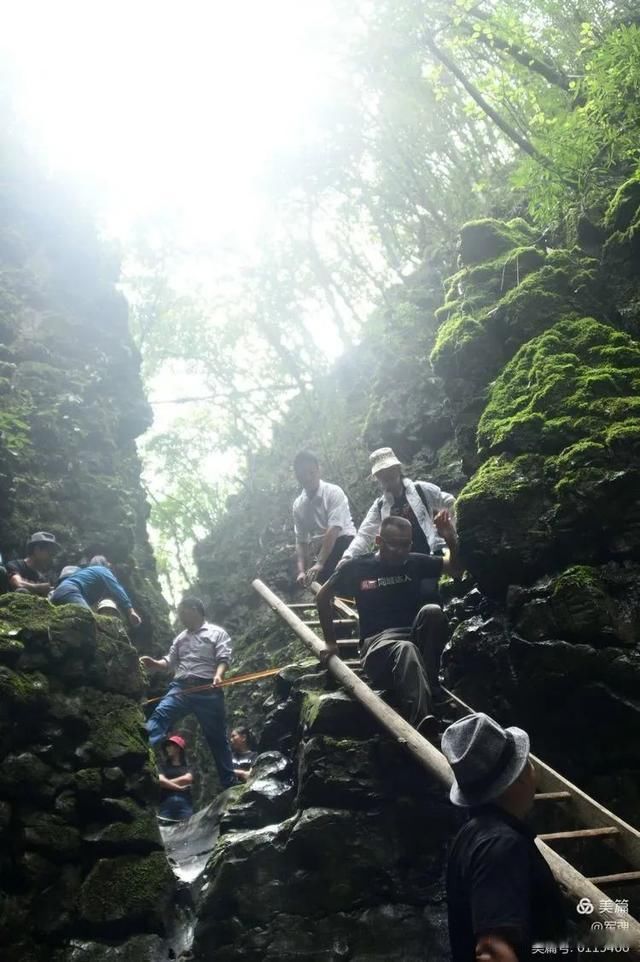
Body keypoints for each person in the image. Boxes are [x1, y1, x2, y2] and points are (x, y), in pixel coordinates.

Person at [316, 511, 461, 736]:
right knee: (406, 649)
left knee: (432, 612)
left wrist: (449, 538)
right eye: (395, 545)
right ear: (379, 541)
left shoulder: (414, 561)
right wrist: (331, 642)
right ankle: (424, 722)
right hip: (377, 646)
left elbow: (455, 569)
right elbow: (323, 595)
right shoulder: (357, 567)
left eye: (406, 544)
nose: (401, 551)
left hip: (412, 638)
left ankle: (432, 686)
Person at [442, 713, 569, 962]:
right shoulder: (500, 845)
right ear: (518, 778)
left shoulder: (474, 833)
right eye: (528, 763)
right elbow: (491, 951)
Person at [139, 597, 236, 790]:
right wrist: (155, 663)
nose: (180, 616)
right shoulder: (180, 638)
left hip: (208, 688)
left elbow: (223, 657)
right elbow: (170, 661)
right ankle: (139, 751)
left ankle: (229, 784)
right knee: (160, 714)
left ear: (194, 610)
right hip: (181, 687)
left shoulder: (217, 633)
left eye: (182, 612)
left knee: (216, 737)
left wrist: (218, 676)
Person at [341, 447, 456, 564]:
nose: (386, 475)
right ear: (377, 477)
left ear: (397, 469)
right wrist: (347, 557)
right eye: (381, 472)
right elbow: (364, 535)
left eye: (389, 469)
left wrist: (451, 526)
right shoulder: (379, 506)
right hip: (402, 565)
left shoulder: (421, 489)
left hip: (431, 557)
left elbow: (449, 501)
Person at [292, 450, 356, 587]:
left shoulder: (333, 492)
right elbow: (301, 541)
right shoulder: (298, 505)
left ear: (318, 470)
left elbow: (334, 529)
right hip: (321, 549)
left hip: (344, 542)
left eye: (311, 472)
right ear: (297, 477)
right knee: (315, 582)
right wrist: (301, 571)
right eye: (303, 475)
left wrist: (320, 563)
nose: (308, 478)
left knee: (333, 578)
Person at [50, 555, 141, 627]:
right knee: (89, 621)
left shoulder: (87, 573)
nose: (110, 569)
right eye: (108, 565)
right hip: (70, 592)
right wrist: (131, 611)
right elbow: (117, 589)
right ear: (104, 564)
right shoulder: (102, 570)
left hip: (58, 593)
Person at [6, 531, 59, 596]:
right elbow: (18, 583)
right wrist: (38, 587)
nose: (51, 556)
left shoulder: (43, 577)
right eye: (49, 551)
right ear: (37, 549)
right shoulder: (16, 565)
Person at [157, 734, 194, 822]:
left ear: (178, 748)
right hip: (166, 802)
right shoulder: (162, 766)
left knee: (187, 830)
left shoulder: (187, 767)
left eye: (170, 746)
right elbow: (160, 781)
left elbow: (187, 779)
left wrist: (167, 783)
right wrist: (179, 788)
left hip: (185, 803)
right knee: (164, 830)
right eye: (167, 746)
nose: (167, 748)